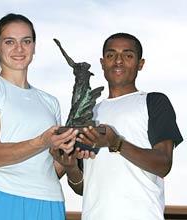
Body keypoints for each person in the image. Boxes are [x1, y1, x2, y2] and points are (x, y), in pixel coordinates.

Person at [50, 33, 183, 220]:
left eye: (127, 55)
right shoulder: (89, 114)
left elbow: (163, 164)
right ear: (102, 63)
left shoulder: (153, 102)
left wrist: (116, 143)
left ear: (140, 63)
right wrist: (71, 168)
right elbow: (83, 188)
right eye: (111, 55)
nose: (118, 61)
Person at [0, 13, 79, 220]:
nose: (19, 49)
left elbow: (50, 169)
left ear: (34, 47)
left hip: (50, 200)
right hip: (3, 195)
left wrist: (71, 153)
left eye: (26, 41)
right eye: (10, 42)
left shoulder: (50, 101)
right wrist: (42, 141)